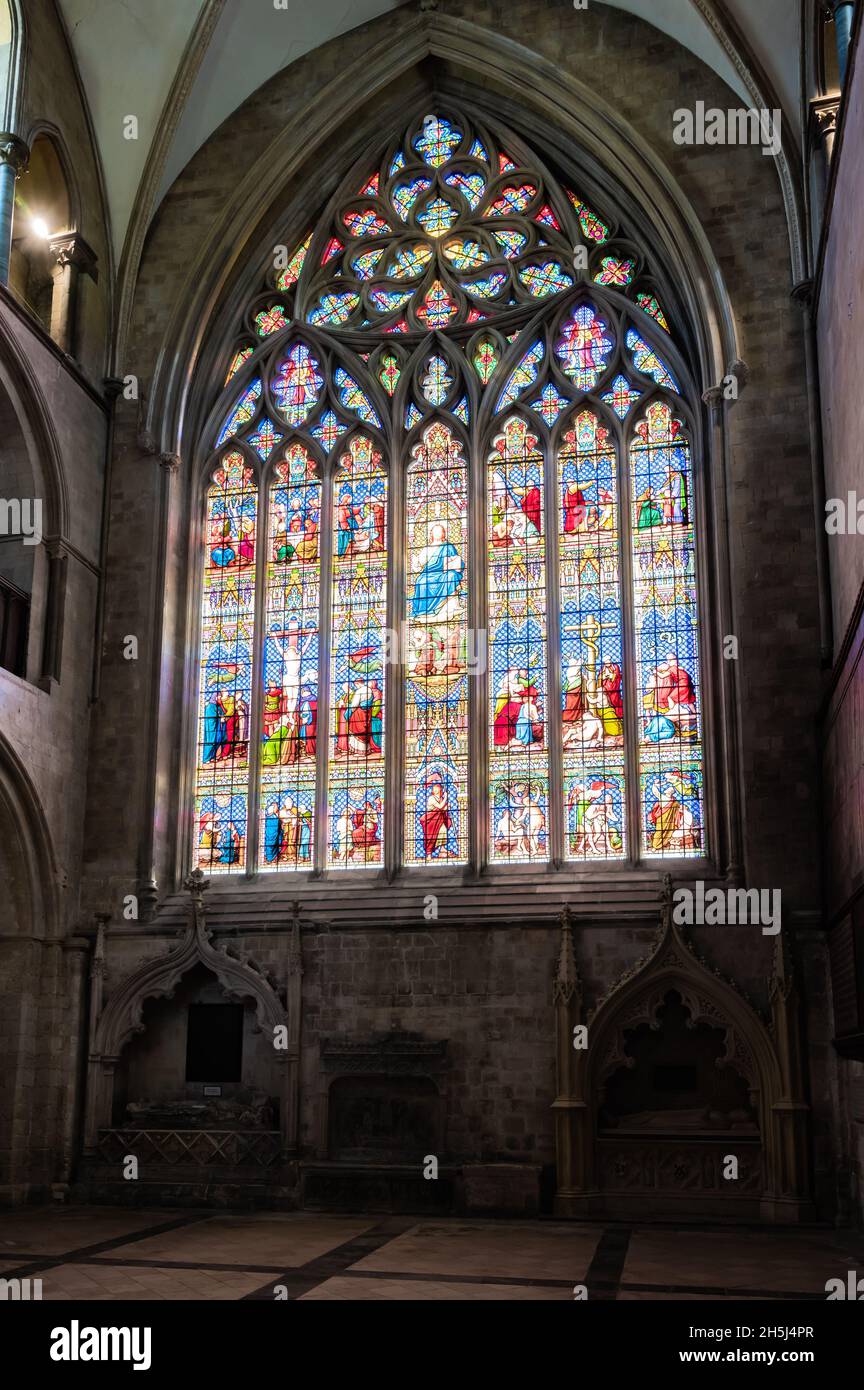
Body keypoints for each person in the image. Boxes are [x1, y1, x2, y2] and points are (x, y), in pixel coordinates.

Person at [420, 781, 451, 858]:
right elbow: (440, 807)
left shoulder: (441, 799)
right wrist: (446, 798)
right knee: (430, 837)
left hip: (439, 820)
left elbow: (442, 809)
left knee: (443, 830)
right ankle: (429, 854)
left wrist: (447, 806)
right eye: (434, 788)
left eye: (437, 788)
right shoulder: (431, 798)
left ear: (440, 790)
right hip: (431, 820)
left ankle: (442, 849)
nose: (436, 789)